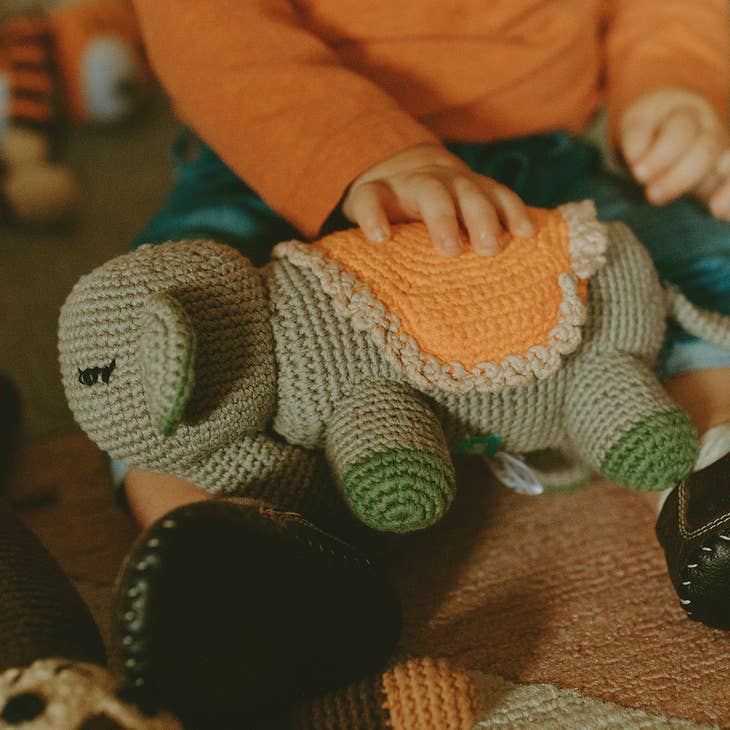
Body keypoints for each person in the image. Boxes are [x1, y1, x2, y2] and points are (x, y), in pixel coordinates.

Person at [107, 0, 730, 717]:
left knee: (684, 266)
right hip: (280, 144)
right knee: (168, 328)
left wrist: (673, 85)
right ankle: (224, 561)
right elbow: (207, 23)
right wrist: (362, 148)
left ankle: (710, 480)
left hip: (538, 159)